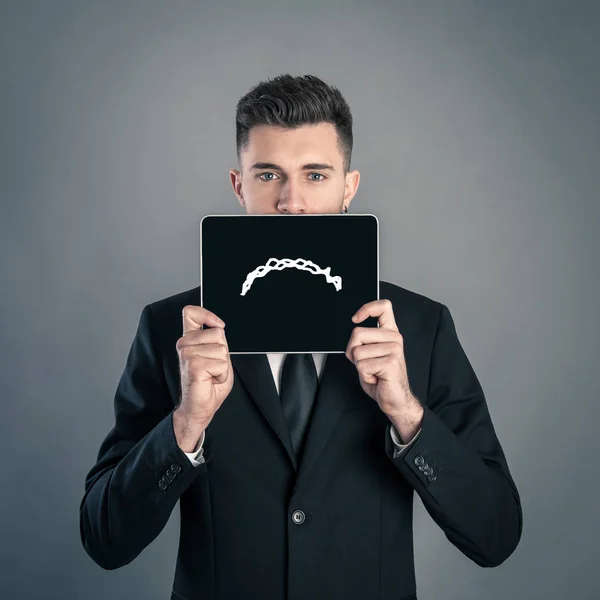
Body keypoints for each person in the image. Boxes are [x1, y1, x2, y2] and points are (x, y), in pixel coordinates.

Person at [79, 74, 522, 600]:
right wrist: (186, 426)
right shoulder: (173, 329)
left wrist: (406, 414)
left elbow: (495, 534)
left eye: (315, 174)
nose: (292, 201)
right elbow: (105, 538)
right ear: (239, 185)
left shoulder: (420, 328)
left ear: (348, 187)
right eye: (268, 174)